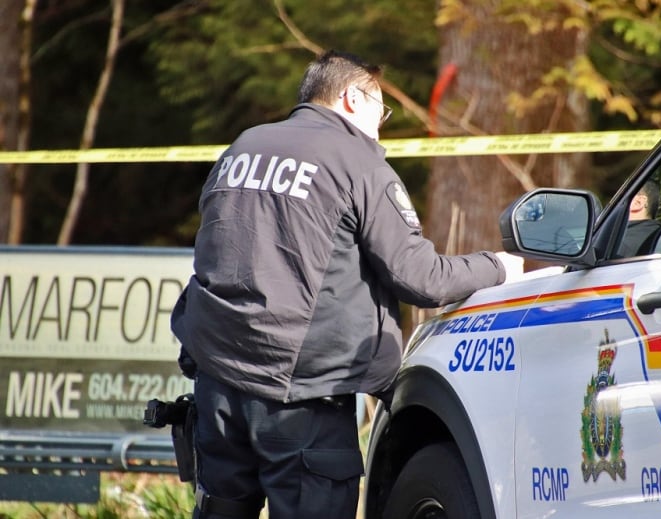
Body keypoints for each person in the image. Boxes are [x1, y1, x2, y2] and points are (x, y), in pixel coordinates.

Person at [170, 50, 524, 519]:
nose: (383, 125)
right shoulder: (356, 161)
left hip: (217, 386)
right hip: (300, 400)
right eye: (383, 109)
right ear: (353, 98)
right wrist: (500, 267)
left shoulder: (242, 147)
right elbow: (420, 277)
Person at [618, 179, 661, 257]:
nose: (611, 204)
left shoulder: (621, 242)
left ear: (638, 203)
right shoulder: (659, 235)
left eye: (619, 197)